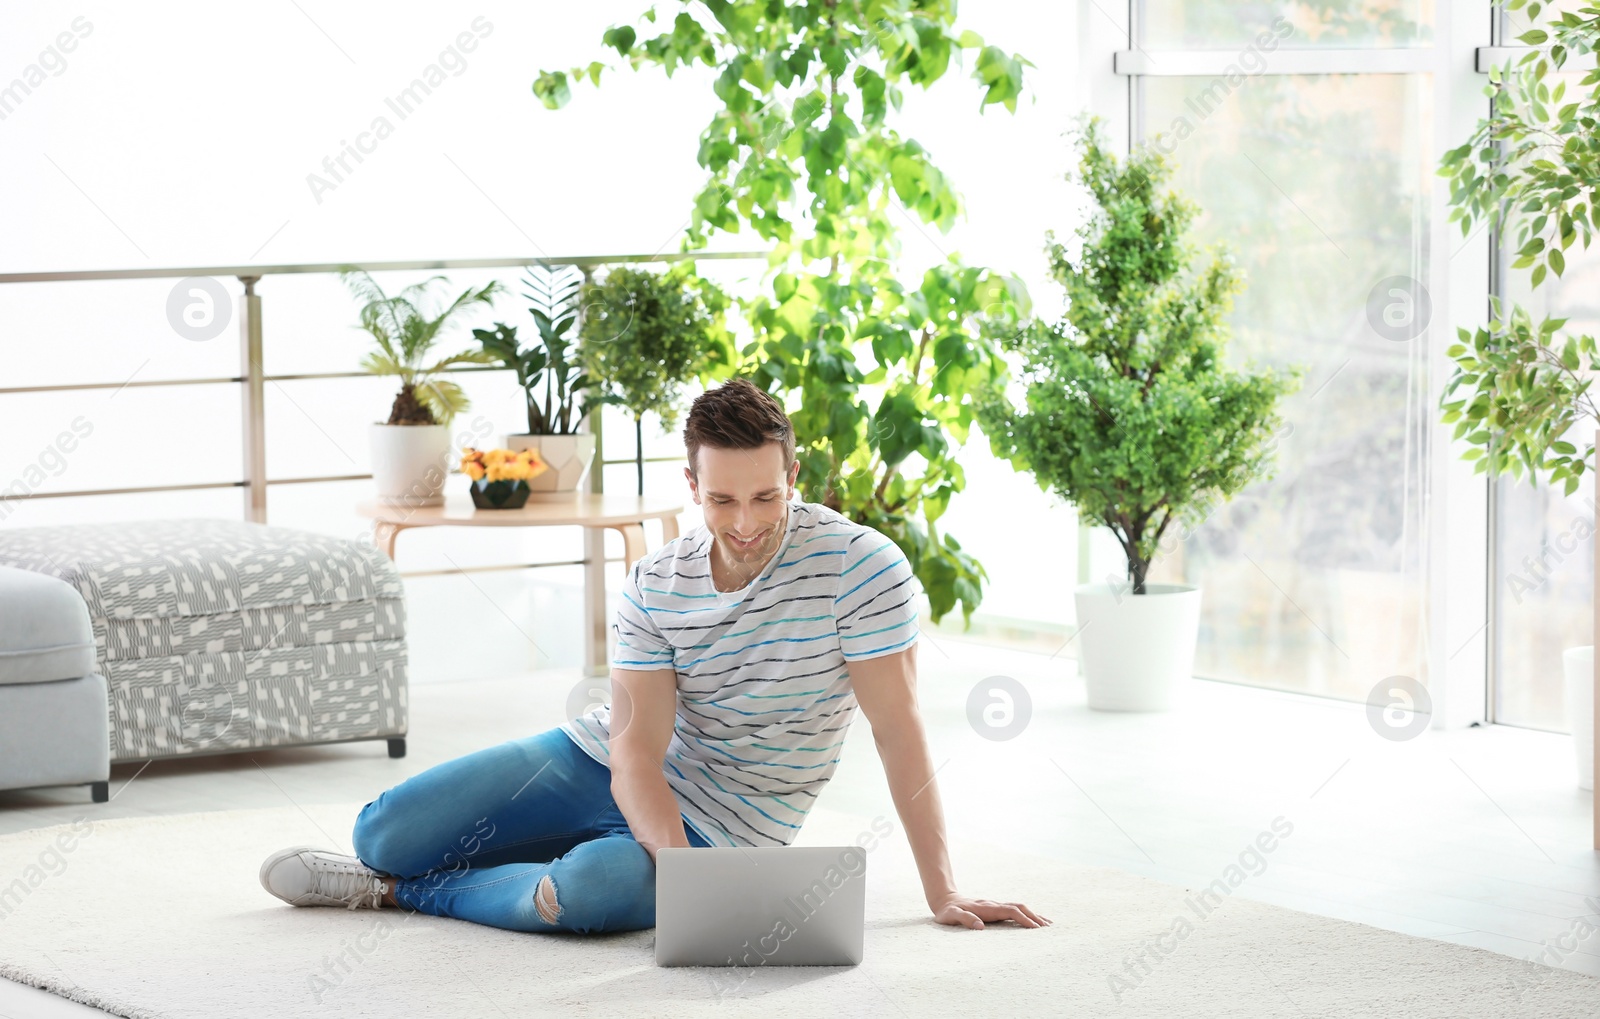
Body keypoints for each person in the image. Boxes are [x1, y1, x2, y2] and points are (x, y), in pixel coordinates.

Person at [260, 377, 1051, 935]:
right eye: (722, 499)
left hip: (730, 823)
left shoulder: (861, 569)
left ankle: (400, 897)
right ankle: (396, 870)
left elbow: (898, 730)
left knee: (591, 889)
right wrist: (680, 873)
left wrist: (942, 888)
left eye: (766, 497)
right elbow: (635, 748)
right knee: (383, 832)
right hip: (596, 760)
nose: (745, 522)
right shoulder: (657, 580)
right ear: (692, 484)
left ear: (794, 476)